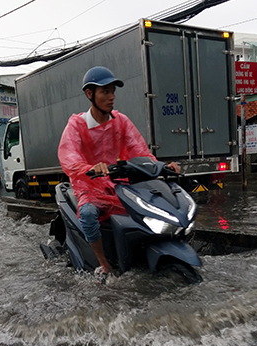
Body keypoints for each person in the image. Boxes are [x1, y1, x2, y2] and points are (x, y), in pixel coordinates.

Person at [58, 66, 180, 274]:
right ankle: (104, 264)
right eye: (105, 91)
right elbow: (68, 156)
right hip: (89, 185)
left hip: (118, 183)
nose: (111, 97)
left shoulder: (120, 121)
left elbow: (138, 149)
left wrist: (160, 166)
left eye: (113, 91)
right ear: (90, 94)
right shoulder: (77, 125)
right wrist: (90, 168)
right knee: (87, 214)